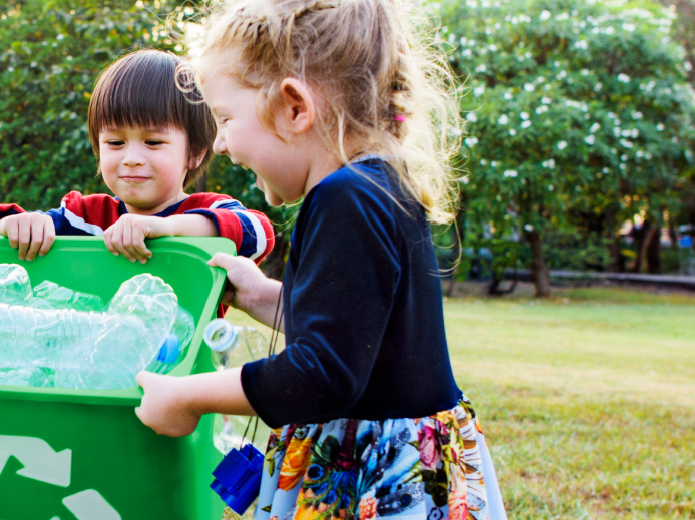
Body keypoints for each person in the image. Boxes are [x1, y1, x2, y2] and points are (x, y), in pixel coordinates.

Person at [134, 0, 507, 518]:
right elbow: (356, 338)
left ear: (293, 108)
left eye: (224, 118)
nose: (219, 143)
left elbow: (323, 373)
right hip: (412, 456)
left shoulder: (344, 197)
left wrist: (186, 396)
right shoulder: (379, 184)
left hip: (371, 474)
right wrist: (261, 295)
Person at [0, 49, 274, 265]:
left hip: (187, 349)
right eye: (115, 142)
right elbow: (0, 232)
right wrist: (18, 225)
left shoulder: (207, 210)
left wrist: (167, 228)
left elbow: (260, 234)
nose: (131, 158)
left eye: (152, 141)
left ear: (195, 152)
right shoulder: (85, 219)